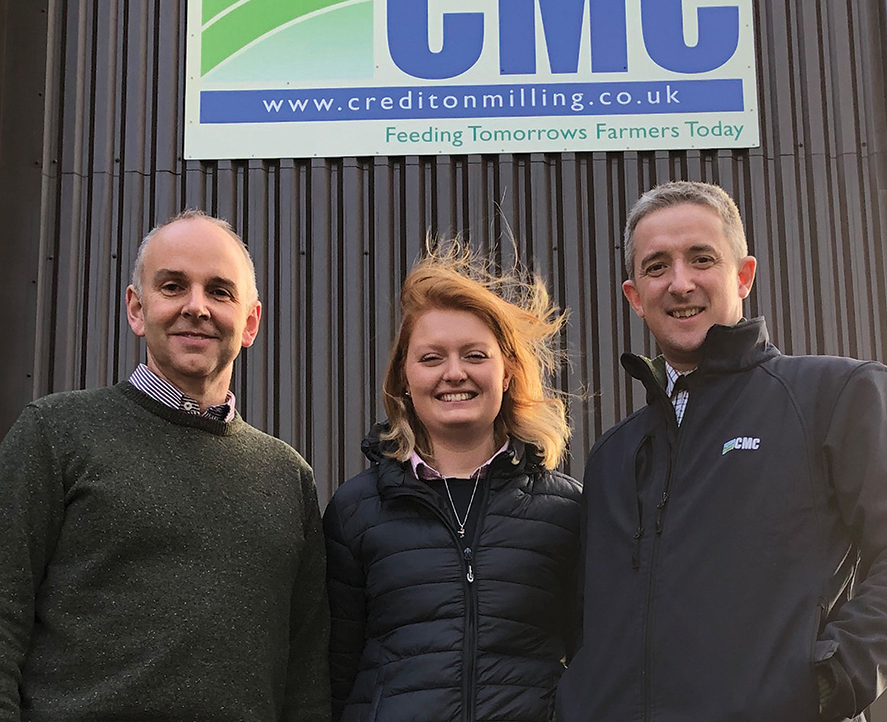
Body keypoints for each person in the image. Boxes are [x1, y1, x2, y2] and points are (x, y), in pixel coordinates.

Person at [555, 181, 887, 722]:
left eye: (701, 259)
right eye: (656, 267)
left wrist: (833, 682)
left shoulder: (837, 395)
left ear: (743, 275)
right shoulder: (612, 456)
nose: (680, 283)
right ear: (634, 297)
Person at [0, 210, 330, 722]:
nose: (196, 307)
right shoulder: (55, 433)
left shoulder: (287, 477)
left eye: (220, 292)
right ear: (137, 309)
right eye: (173, 286)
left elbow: (306, 679)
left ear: (250, 323)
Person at [324, 241, 582, 722]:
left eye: (475, 355)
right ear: (404, 378)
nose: (454, 373)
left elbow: (596, 662)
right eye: (431, 358)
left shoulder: (565, 510)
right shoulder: (356, 509)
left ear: (506, 373)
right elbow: (335, 673)